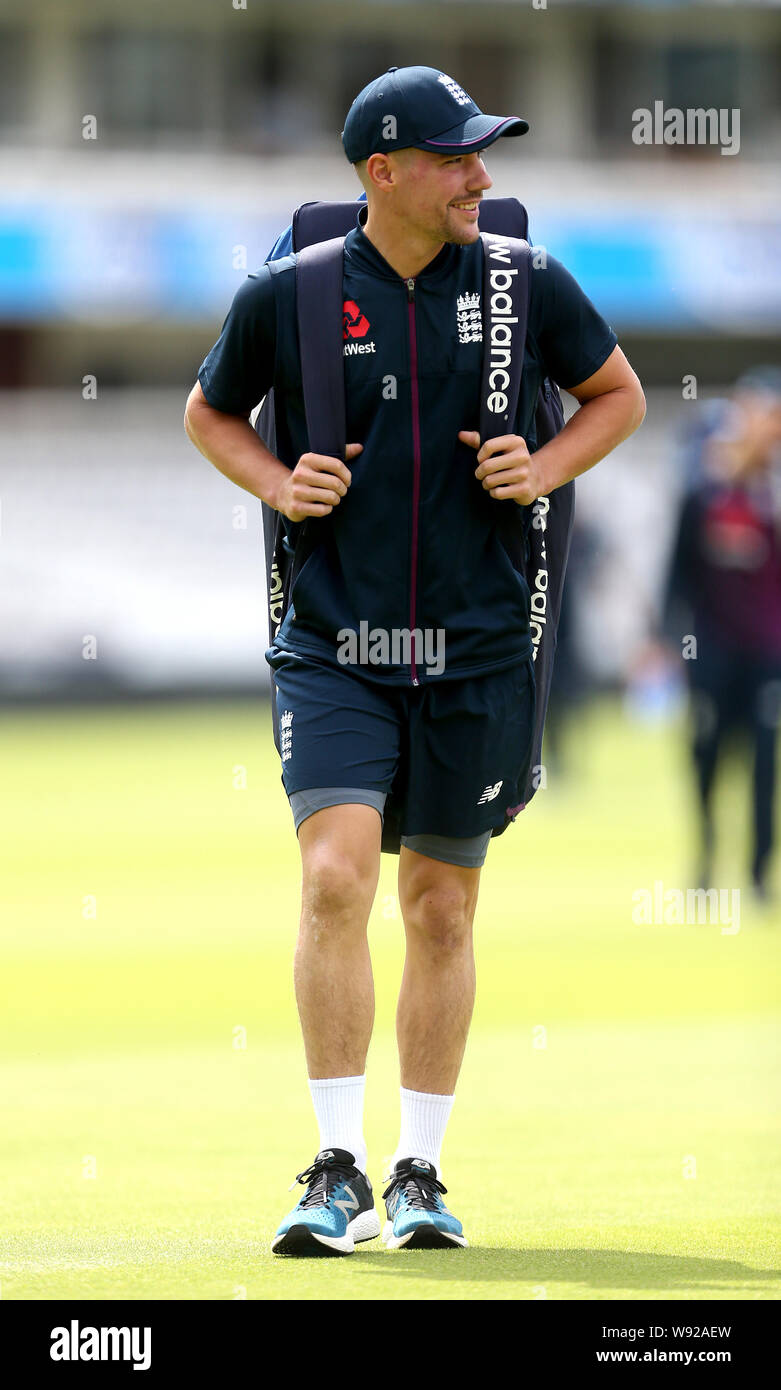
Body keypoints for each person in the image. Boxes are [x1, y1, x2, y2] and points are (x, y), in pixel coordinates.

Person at [184, 65, 646, 1256]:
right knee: (335, 875)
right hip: (333, 642)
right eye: (456, 158)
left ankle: (419, 1173)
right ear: (381, 172)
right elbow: (208, 413)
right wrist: (278, 481)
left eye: (481, 156)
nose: (480, 177)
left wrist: (541, 470)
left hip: (481, 645)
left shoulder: (523, 279)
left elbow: (617, 395)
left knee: (439, 906)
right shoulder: (284, 296)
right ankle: (334, 1166)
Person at [664, 367, 781, 900]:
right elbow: (678, 571)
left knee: (763, 762)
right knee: (706, 757)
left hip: (768, 654)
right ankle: (707, 862)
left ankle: (759, 874)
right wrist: (666, 640)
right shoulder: (704, 492)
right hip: (711, 649)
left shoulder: (772, 497)